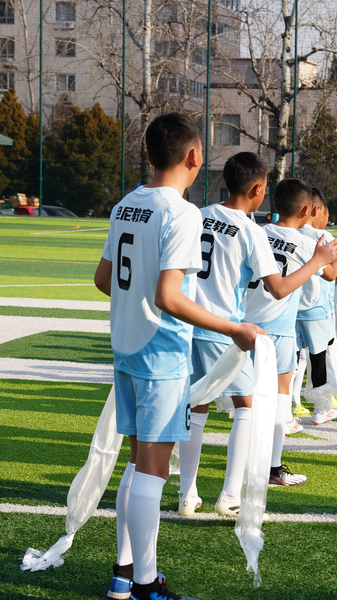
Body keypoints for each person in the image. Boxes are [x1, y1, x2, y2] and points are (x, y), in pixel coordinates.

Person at [93, 113, 263, 600]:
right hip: (161, 353)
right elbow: (169, 296)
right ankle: (145, 584)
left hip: (126, 348)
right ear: (194, 156)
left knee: (137, 463)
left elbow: (104, 280)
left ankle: (124, 575)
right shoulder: (182, 212)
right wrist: (233, 327)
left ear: (148, 155)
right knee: (152, 468)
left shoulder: (126, 204)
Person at [178, 152, 337, 518]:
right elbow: (279, 288)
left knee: (197, 406)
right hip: (223, 328)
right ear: (257, 188)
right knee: (247, 407)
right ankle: (229, 496)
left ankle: (187, 494)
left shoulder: (199, 214)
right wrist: (317, 261)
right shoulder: (251, 231)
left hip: (188, 323)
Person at [245, 179, 337, 486]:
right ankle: (273, 467)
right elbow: (331, 273)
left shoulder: (257, 232)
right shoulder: (306, 243)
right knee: (278, 396)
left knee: (246, 398)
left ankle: (246, 459)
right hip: (278, 328)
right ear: (307, 210)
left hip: (244, 323)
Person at [295, 187, 337, 421]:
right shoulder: (323, 237)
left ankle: (288, 406)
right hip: (317, 308)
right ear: (315, 210)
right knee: (320, 358)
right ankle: (321, 408)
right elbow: (334, 271)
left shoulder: (286, 233)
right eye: (326, 216)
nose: (326, 221)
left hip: (290, 306)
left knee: (293, 360)